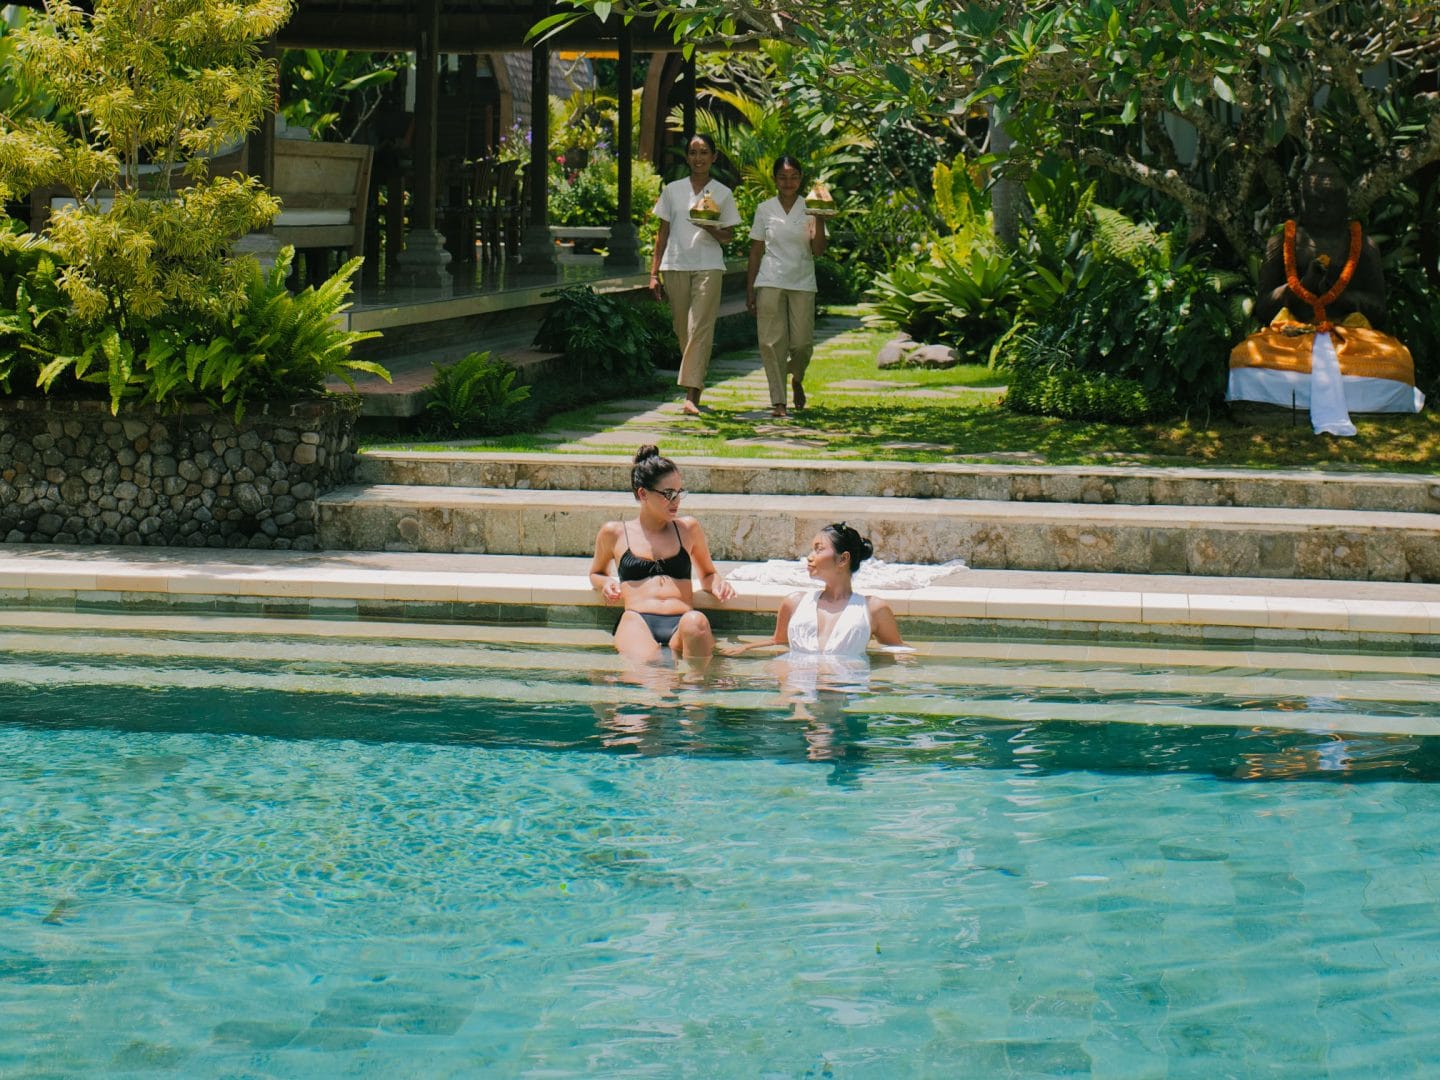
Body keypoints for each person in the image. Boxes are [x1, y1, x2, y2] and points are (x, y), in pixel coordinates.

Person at [1228, 160, 1424, 434]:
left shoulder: (1364, 247)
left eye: (1329, 201)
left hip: (1351, 334)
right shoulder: (1282, 242)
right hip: (1293, 334)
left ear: (1345, 203)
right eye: (1314, 200)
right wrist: (1300, 286)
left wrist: (1341, 296)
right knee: (1245, 358)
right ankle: (1270, 414)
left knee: (1397, 362)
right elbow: (1263, 307)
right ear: (1301, 202)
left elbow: (1379, 310)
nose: (1321, 208)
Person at [589, 444, 736, 659]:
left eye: (678, 493)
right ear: (643, 493)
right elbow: (596, 573)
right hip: (637, 621)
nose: (675, 501)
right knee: (653, 677)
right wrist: (606, 583)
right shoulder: (615, 532)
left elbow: (707, 574)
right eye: (668, 494)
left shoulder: (688, 529)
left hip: (683, 621)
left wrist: (718, 584)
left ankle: (699, 684)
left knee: (697, 623)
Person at [650, 134, 741, 416]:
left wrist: (709, 227)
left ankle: (692, 394)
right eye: (693, 152)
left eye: (704, 152)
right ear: (687, 157)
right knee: (683, 328)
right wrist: (653, 273)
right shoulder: (672, 190)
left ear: (714, 157)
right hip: (675, 264)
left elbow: (728, 236)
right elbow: (662, 233)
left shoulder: (723, 193)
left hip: (709, 265)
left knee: (700, 327)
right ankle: (694, 381)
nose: (698, 158)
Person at [730, 523, 907, 657]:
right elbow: (778, 642)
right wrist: (745, 648)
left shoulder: (873, 609)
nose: (809, 557)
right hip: (799, 692)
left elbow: (898, 651)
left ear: (843, 559)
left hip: (847, 691)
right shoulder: (794, 603)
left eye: (819, 549)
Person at [746, 155, 827, 418]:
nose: (788, 182)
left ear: (800, 178)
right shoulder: (764, 209)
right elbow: (756, 251)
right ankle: (778, 402)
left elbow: (819, 250)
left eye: (793, 177)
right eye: (783, 177)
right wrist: (750, 290)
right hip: (770, 280)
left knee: (802, 344)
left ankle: (796, 376)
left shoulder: (811, 206)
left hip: (802, 281)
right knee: (771, 343)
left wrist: (820, 217)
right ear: (775, 179)